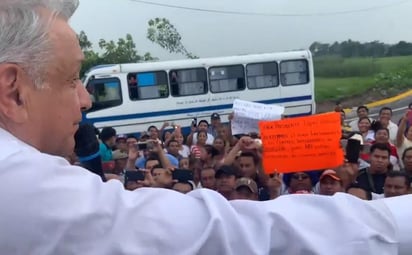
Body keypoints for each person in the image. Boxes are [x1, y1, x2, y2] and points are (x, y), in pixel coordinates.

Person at [0, 1, 411, 254]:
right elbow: (223, 237)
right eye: (72, 79)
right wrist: (393, 225)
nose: (85, 100)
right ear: (14, 91)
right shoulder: (14, 184)